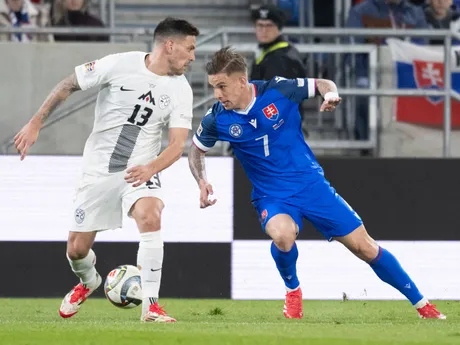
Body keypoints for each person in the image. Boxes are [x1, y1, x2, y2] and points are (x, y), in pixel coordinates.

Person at [188, 47, 446, 320]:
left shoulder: (279, 90)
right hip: (272, 196)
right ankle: (293, 291)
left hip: (312, 186)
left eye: (221, 86)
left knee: (365, 247)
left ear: (242, 81)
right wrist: (201, 180)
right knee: (282, 235)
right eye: (214, 87)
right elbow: (195, 149)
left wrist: (331, 94)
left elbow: (322, 84)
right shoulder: (218, 117)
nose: (217, 94)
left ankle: (423, 305)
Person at [14, 17, 199, 323]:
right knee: (76, 250)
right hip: (98, 170)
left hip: (140, 168)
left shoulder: (181, 90)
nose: (192, 56)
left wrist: (150, 168)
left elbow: (177, 145)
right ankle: (89, 282)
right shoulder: (119, 65)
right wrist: (36, 123)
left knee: (150, 215)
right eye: (189, 48)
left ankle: (150, 306)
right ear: (170, 45)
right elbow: (68, 84)